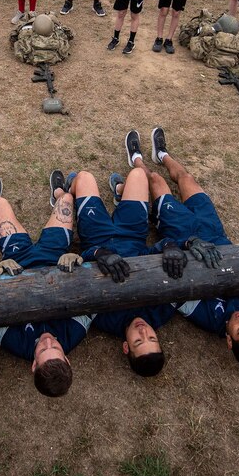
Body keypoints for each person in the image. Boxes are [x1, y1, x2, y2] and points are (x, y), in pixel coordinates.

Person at [131, 127, 239, 374]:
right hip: (213, 230)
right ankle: (163, 154)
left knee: (156, 182)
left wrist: (187, 243)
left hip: (182, 231)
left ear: (230, 341)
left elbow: (174, 277)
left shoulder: (206, 317)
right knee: (187, 179)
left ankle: (137, 161)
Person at [0, 171, 89, 397]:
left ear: (34, 364)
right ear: (67, 358)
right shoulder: (76, 332)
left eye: (42, 349)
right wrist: (76, 263)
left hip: (19, 260)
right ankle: (58, 192)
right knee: (67, 200)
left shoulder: (12, 342)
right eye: (56, 348)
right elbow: (89, 293)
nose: (48, 341)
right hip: (54, 255)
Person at [70, 158, 174, 378]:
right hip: (133, 233)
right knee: (138, 174)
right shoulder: (163, 309)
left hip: (95, 236)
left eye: (138, 340)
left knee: (84, 177)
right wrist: (169, 245)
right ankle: (120, 194)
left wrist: (98, 254)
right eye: (152, 338)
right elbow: (158, 254)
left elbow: (80, 271)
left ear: (126, 347)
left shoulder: (103, 319)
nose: (143, 330)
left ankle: (67, 194)